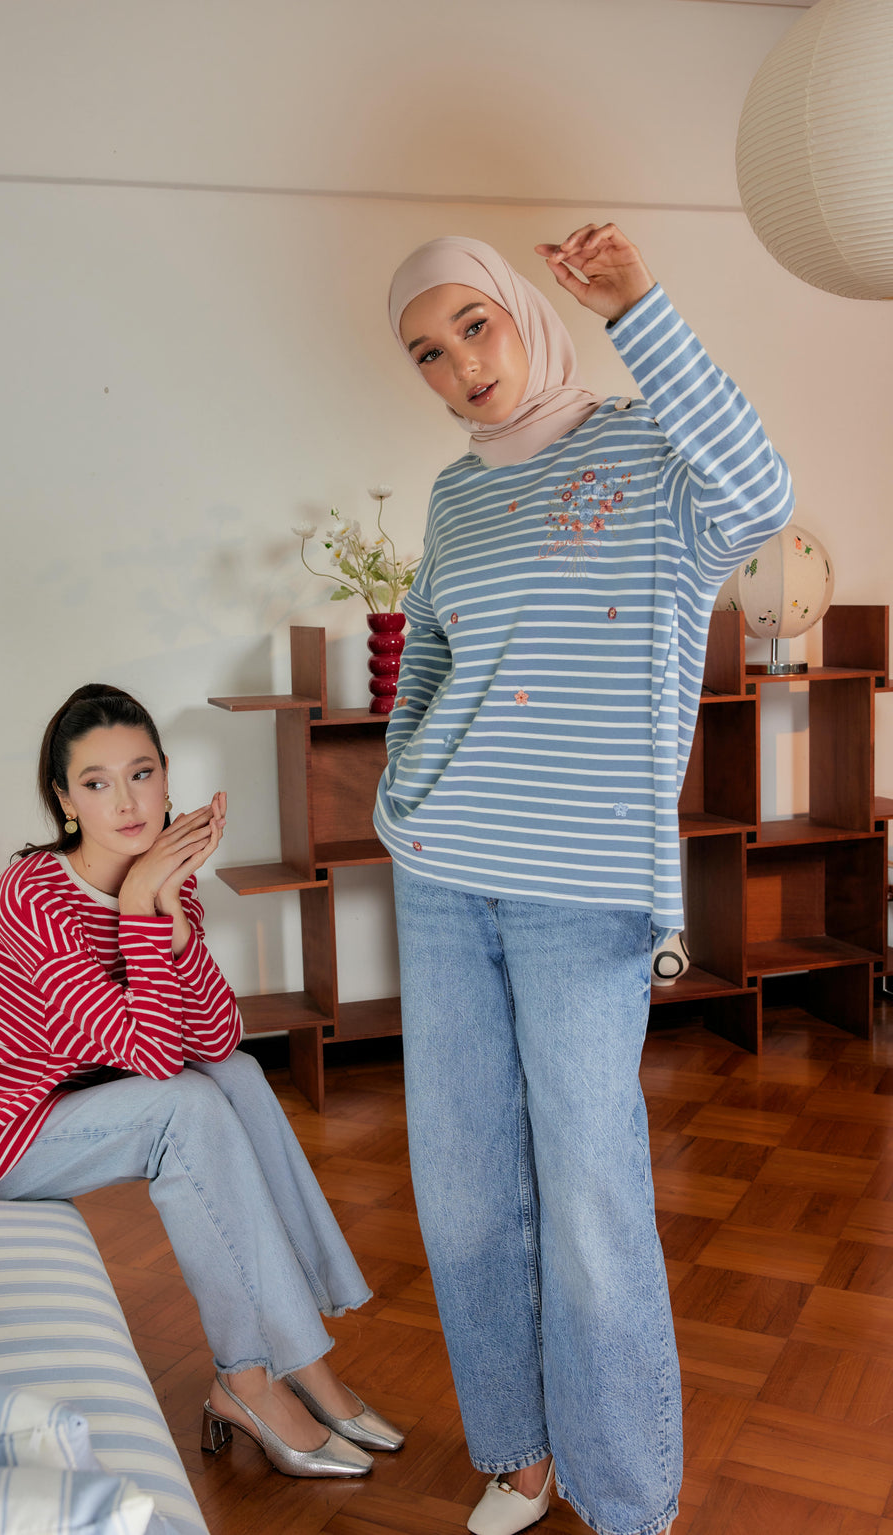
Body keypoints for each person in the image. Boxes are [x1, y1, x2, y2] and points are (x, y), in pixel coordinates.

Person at [374, 225, 794, 1535]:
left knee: (592, 1191)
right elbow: (433, 658)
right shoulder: (454, 496)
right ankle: (519, 1450)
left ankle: (626, 1494)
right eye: (428, 353)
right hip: (444, 875)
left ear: (519, 311)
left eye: (473, 327)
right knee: (459, 1181)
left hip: (582, 894)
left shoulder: (648, 451)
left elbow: (764, 493)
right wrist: (404, 797)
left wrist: (641, 306)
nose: (459, 367)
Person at [0, 683, 403, 1478]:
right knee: (182, 1108)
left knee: (238, 1074)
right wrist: (138, 906)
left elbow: (216, 1035)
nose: (126, 800)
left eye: (142, 772)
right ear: (64, 800)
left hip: (49, 1103)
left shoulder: (160, 876)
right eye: (96, 782)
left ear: (166, 776)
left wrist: (171, 915)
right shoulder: (34, 902)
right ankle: (256, 1376)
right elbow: (154, 1058)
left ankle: (301, 1364)